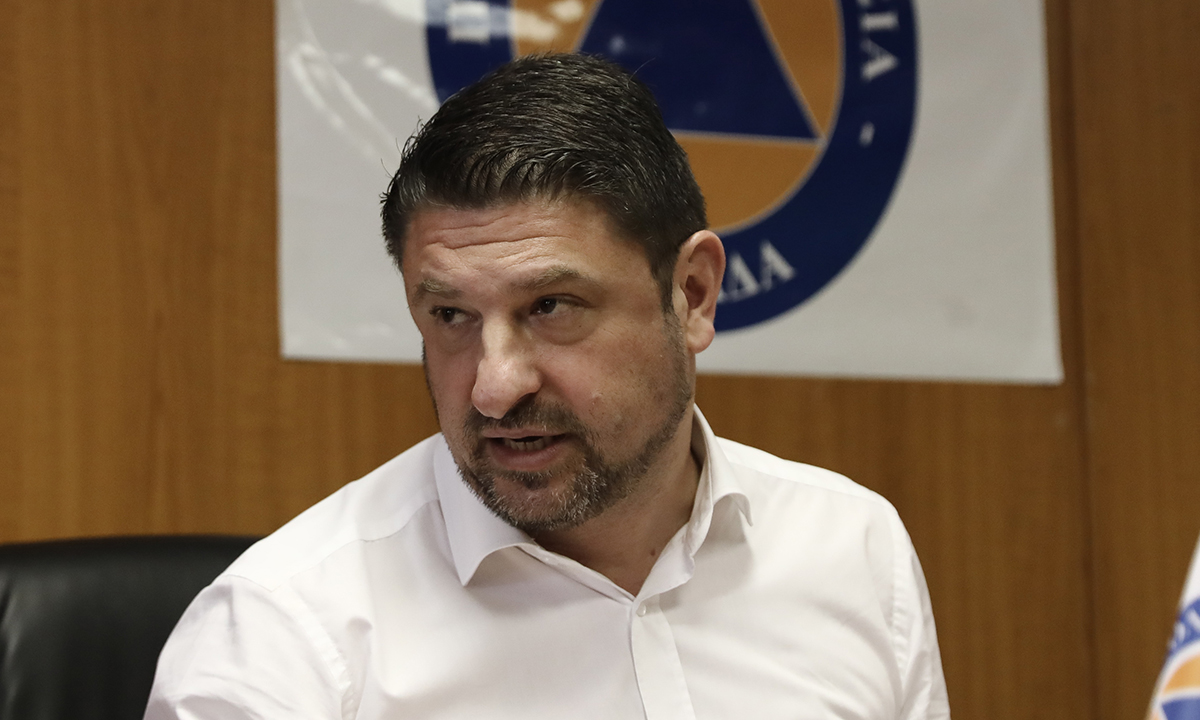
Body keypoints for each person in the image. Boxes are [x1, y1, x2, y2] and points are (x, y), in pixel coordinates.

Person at [145, 53, 949, 720]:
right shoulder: (284, 639)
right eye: (451, 316)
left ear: (693, 295)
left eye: (551, 307)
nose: (494, 388)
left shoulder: (851, 546)